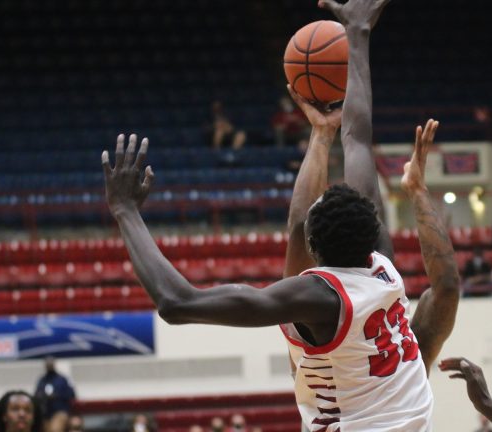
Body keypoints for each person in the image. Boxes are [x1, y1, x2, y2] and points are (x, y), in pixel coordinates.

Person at [99, 2, 434, 430]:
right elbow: (358, 139)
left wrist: (125, 210)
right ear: (375, 232)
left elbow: (177, 302)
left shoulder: (315, 298)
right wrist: (357, 36)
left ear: (313, 249)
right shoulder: (384, 269)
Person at [279, 0, 459, 376]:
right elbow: (447, 287)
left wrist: (321, 134)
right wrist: (417, 190)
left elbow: (298, 226)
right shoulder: (388, 302)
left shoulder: (305, 314)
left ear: (313, 248)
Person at [33, 357, 75, 432]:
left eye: (51, 364)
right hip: (45, 414)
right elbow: (36, 396)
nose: (49, 365)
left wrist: (56, 395)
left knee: (55, 429)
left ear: (54, 364)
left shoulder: (62, 379)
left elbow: (72, 394)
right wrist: (42, 396)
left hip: (60, 411)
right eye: (47, 364)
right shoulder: (42, 380)